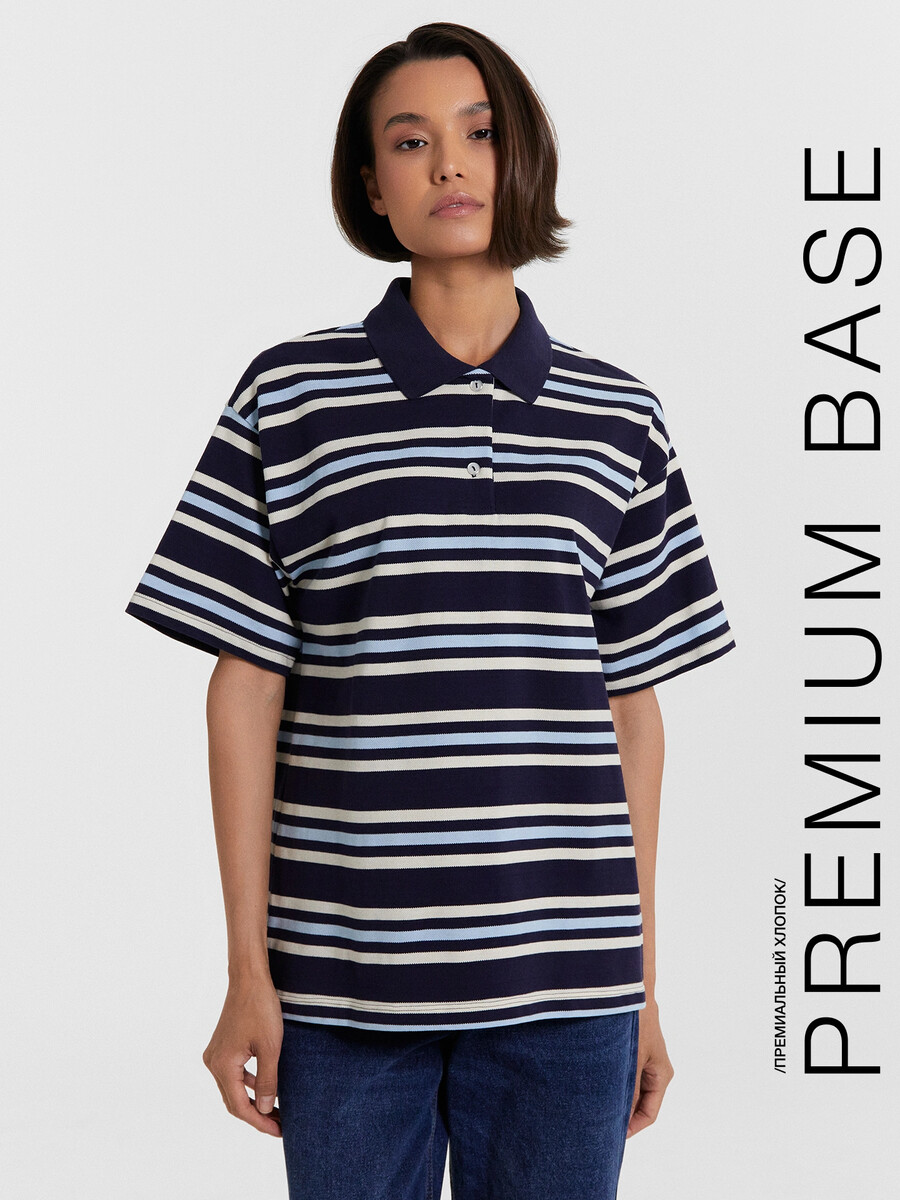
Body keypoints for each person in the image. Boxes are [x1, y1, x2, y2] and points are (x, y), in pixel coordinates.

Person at [125, 21, 736, 1200]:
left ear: (523, 159)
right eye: (410, 141)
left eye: (479, 132)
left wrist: (645, 987)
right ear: (373, 184)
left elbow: (632, 708)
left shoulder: (620, 416)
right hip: (343, 987)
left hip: (571, 991)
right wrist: (247, 971)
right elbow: (243, 687)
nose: (449, 163)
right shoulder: (291, 395)